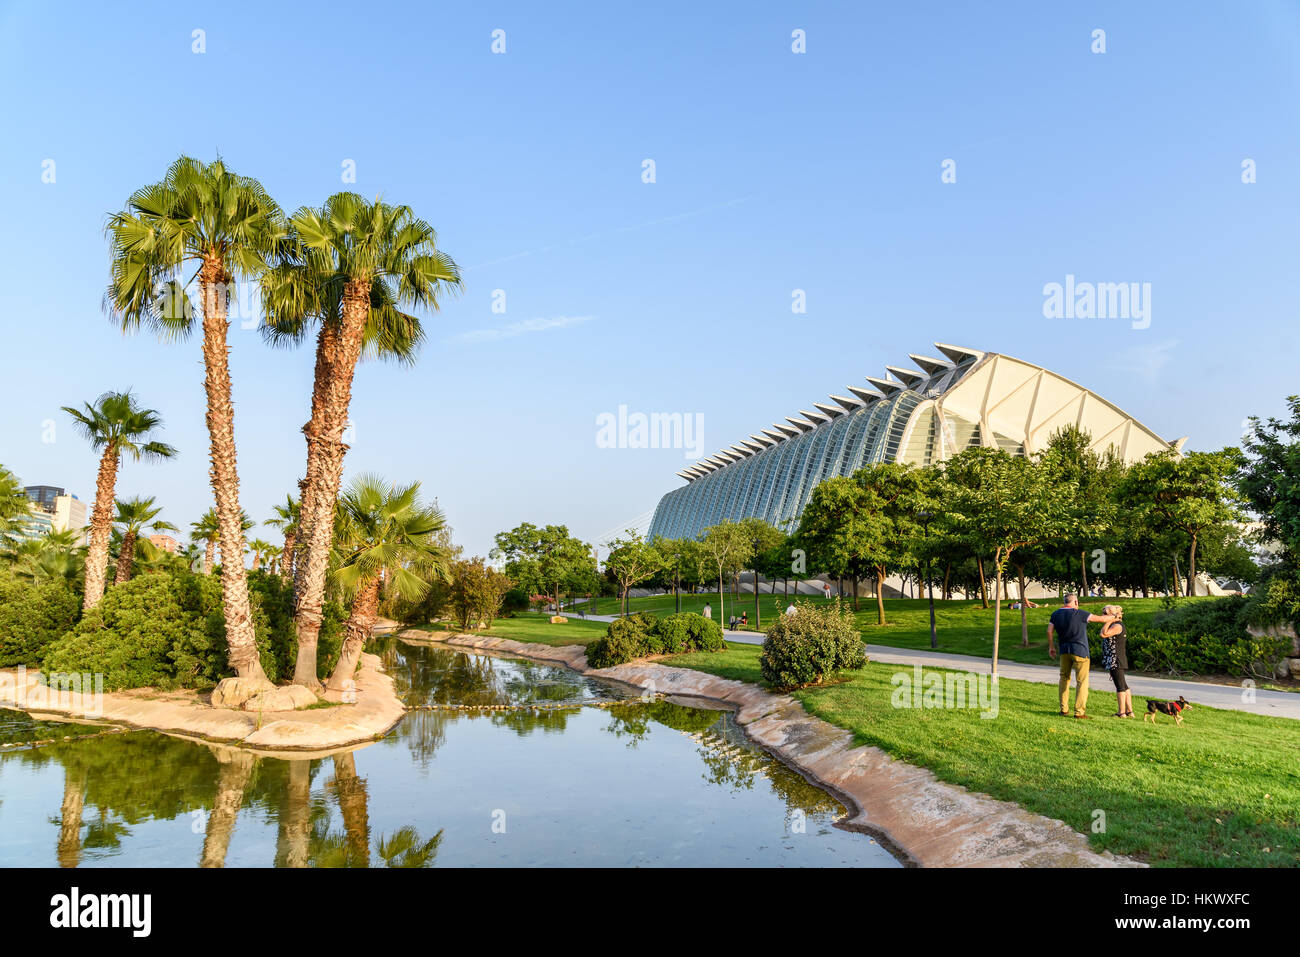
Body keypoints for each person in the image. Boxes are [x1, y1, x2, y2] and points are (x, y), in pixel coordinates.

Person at [1046, 593, 1115, 719]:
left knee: (1064, 678)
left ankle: (1064, 709)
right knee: (1082, 682)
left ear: (1065, 602)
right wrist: (1114, 615)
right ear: (1076, 602)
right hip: (1080, 651)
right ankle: (1079, 712)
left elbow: (1049, 631)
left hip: (1064, 650)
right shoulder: (1080, 613)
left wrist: (1051, 647)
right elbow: (1101, 619)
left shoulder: (1055, 614)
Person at [1100, 604, 1133, 717]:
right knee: (1124, 685)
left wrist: (1108, 621)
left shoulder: (1117, 626)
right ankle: (1129, 711)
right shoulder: (1116, 624)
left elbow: (1103, 634)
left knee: (1120, 686)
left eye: (1105, 614)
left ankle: (1121, 712)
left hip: (1116, 659)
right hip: (1115, 659)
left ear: (1111, 615)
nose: (1103, 616)